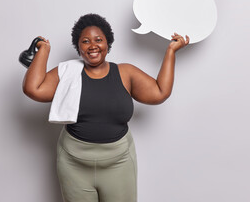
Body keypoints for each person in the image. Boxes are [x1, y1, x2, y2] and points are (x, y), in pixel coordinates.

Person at [22, 13, 189, 202]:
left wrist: (170, 52)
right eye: (85, 41)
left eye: (98, 40)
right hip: (73, 164)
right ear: (78, 48)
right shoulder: (67, 73)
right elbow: (33, 89)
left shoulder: (126, 73)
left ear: (108, 44)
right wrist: (43, 50)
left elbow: (160, 92)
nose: (92, 45)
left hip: (119, 164)